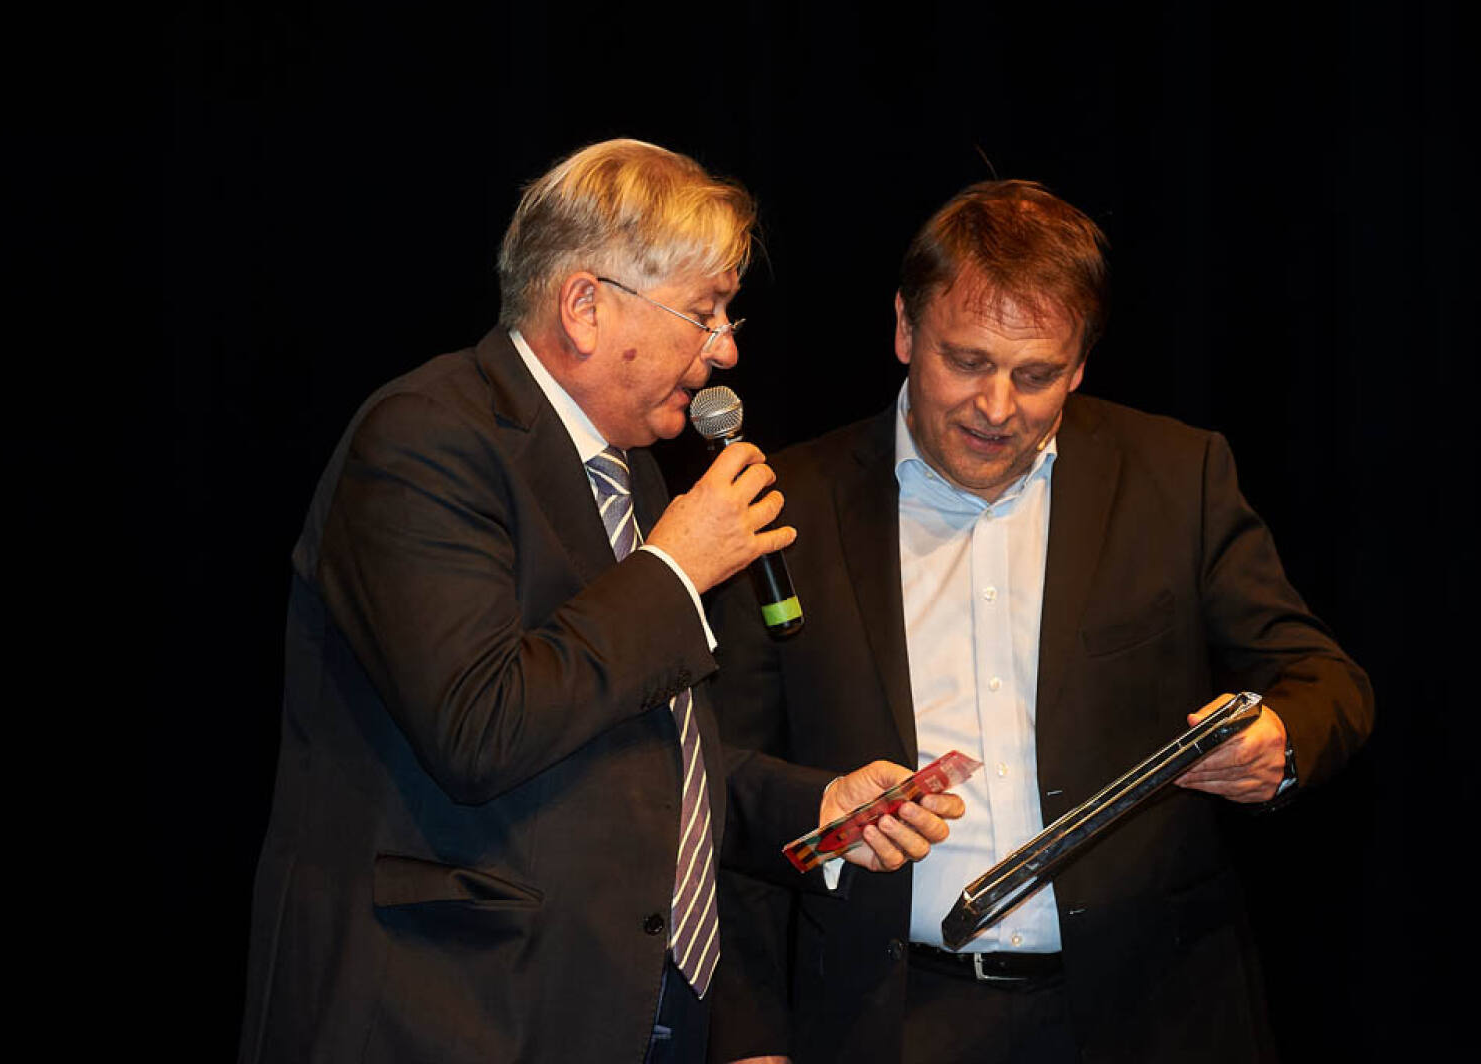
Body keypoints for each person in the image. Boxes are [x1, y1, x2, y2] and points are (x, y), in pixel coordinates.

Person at [237, 139, 961, 1064]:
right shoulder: (424, 440)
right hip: (452, 1013)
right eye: (704, 311)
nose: (726, 348)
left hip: (624, 1005)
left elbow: (649, 755)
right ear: (584, 307)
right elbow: (480, 726)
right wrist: (673, 571)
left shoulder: (629, 474)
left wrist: (815, 805)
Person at [707, 180, 1374, 1064]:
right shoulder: (780, 507)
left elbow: (1324, 679)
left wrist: (1280, 743)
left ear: (1082, 362)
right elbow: (727, 788)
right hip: (889, 1018)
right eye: (967, 362)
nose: (997, 408)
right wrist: (749, 1038)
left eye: (1036, 375)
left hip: (1154, 1013)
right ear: (905, 329)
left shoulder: (1176, 476)